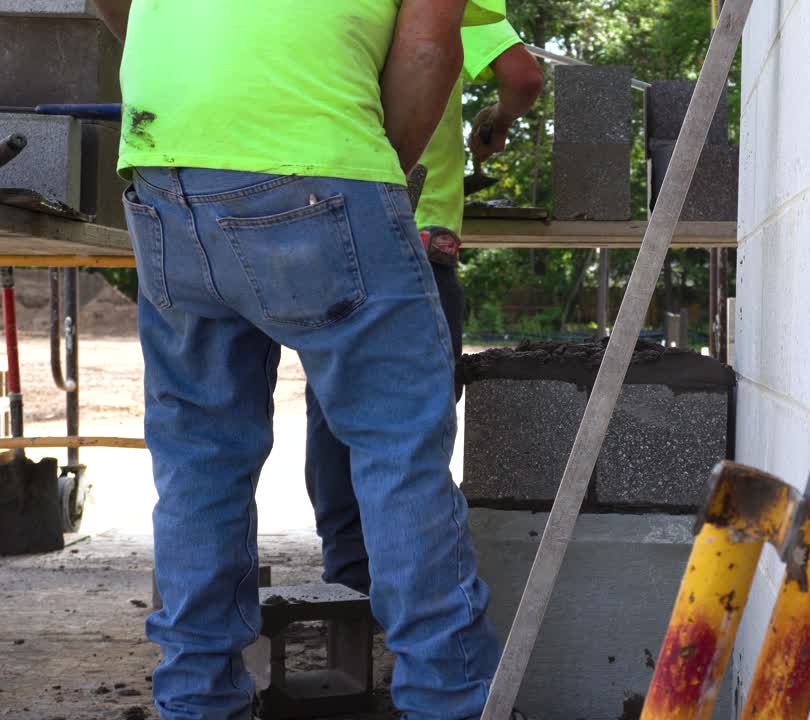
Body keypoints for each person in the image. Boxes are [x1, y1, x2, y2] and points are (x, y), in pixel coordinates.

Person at [92, 1, 507, 717]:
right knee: (398, 449)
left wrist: (204, 79)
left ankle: (197, 700)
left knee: (199, 454)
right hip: (320, 153)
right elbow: (430, 51)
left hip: (166, 160)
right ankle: (449, 700)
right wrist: (380, 174)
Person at [304, 19, 543, 596]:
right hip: (414, 239)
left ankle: (349, 581)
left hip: (322, 218)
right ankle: (415, 600)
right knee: (412, 425)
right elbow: (522, 75)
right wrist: (500, 120)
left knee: (333, 411)